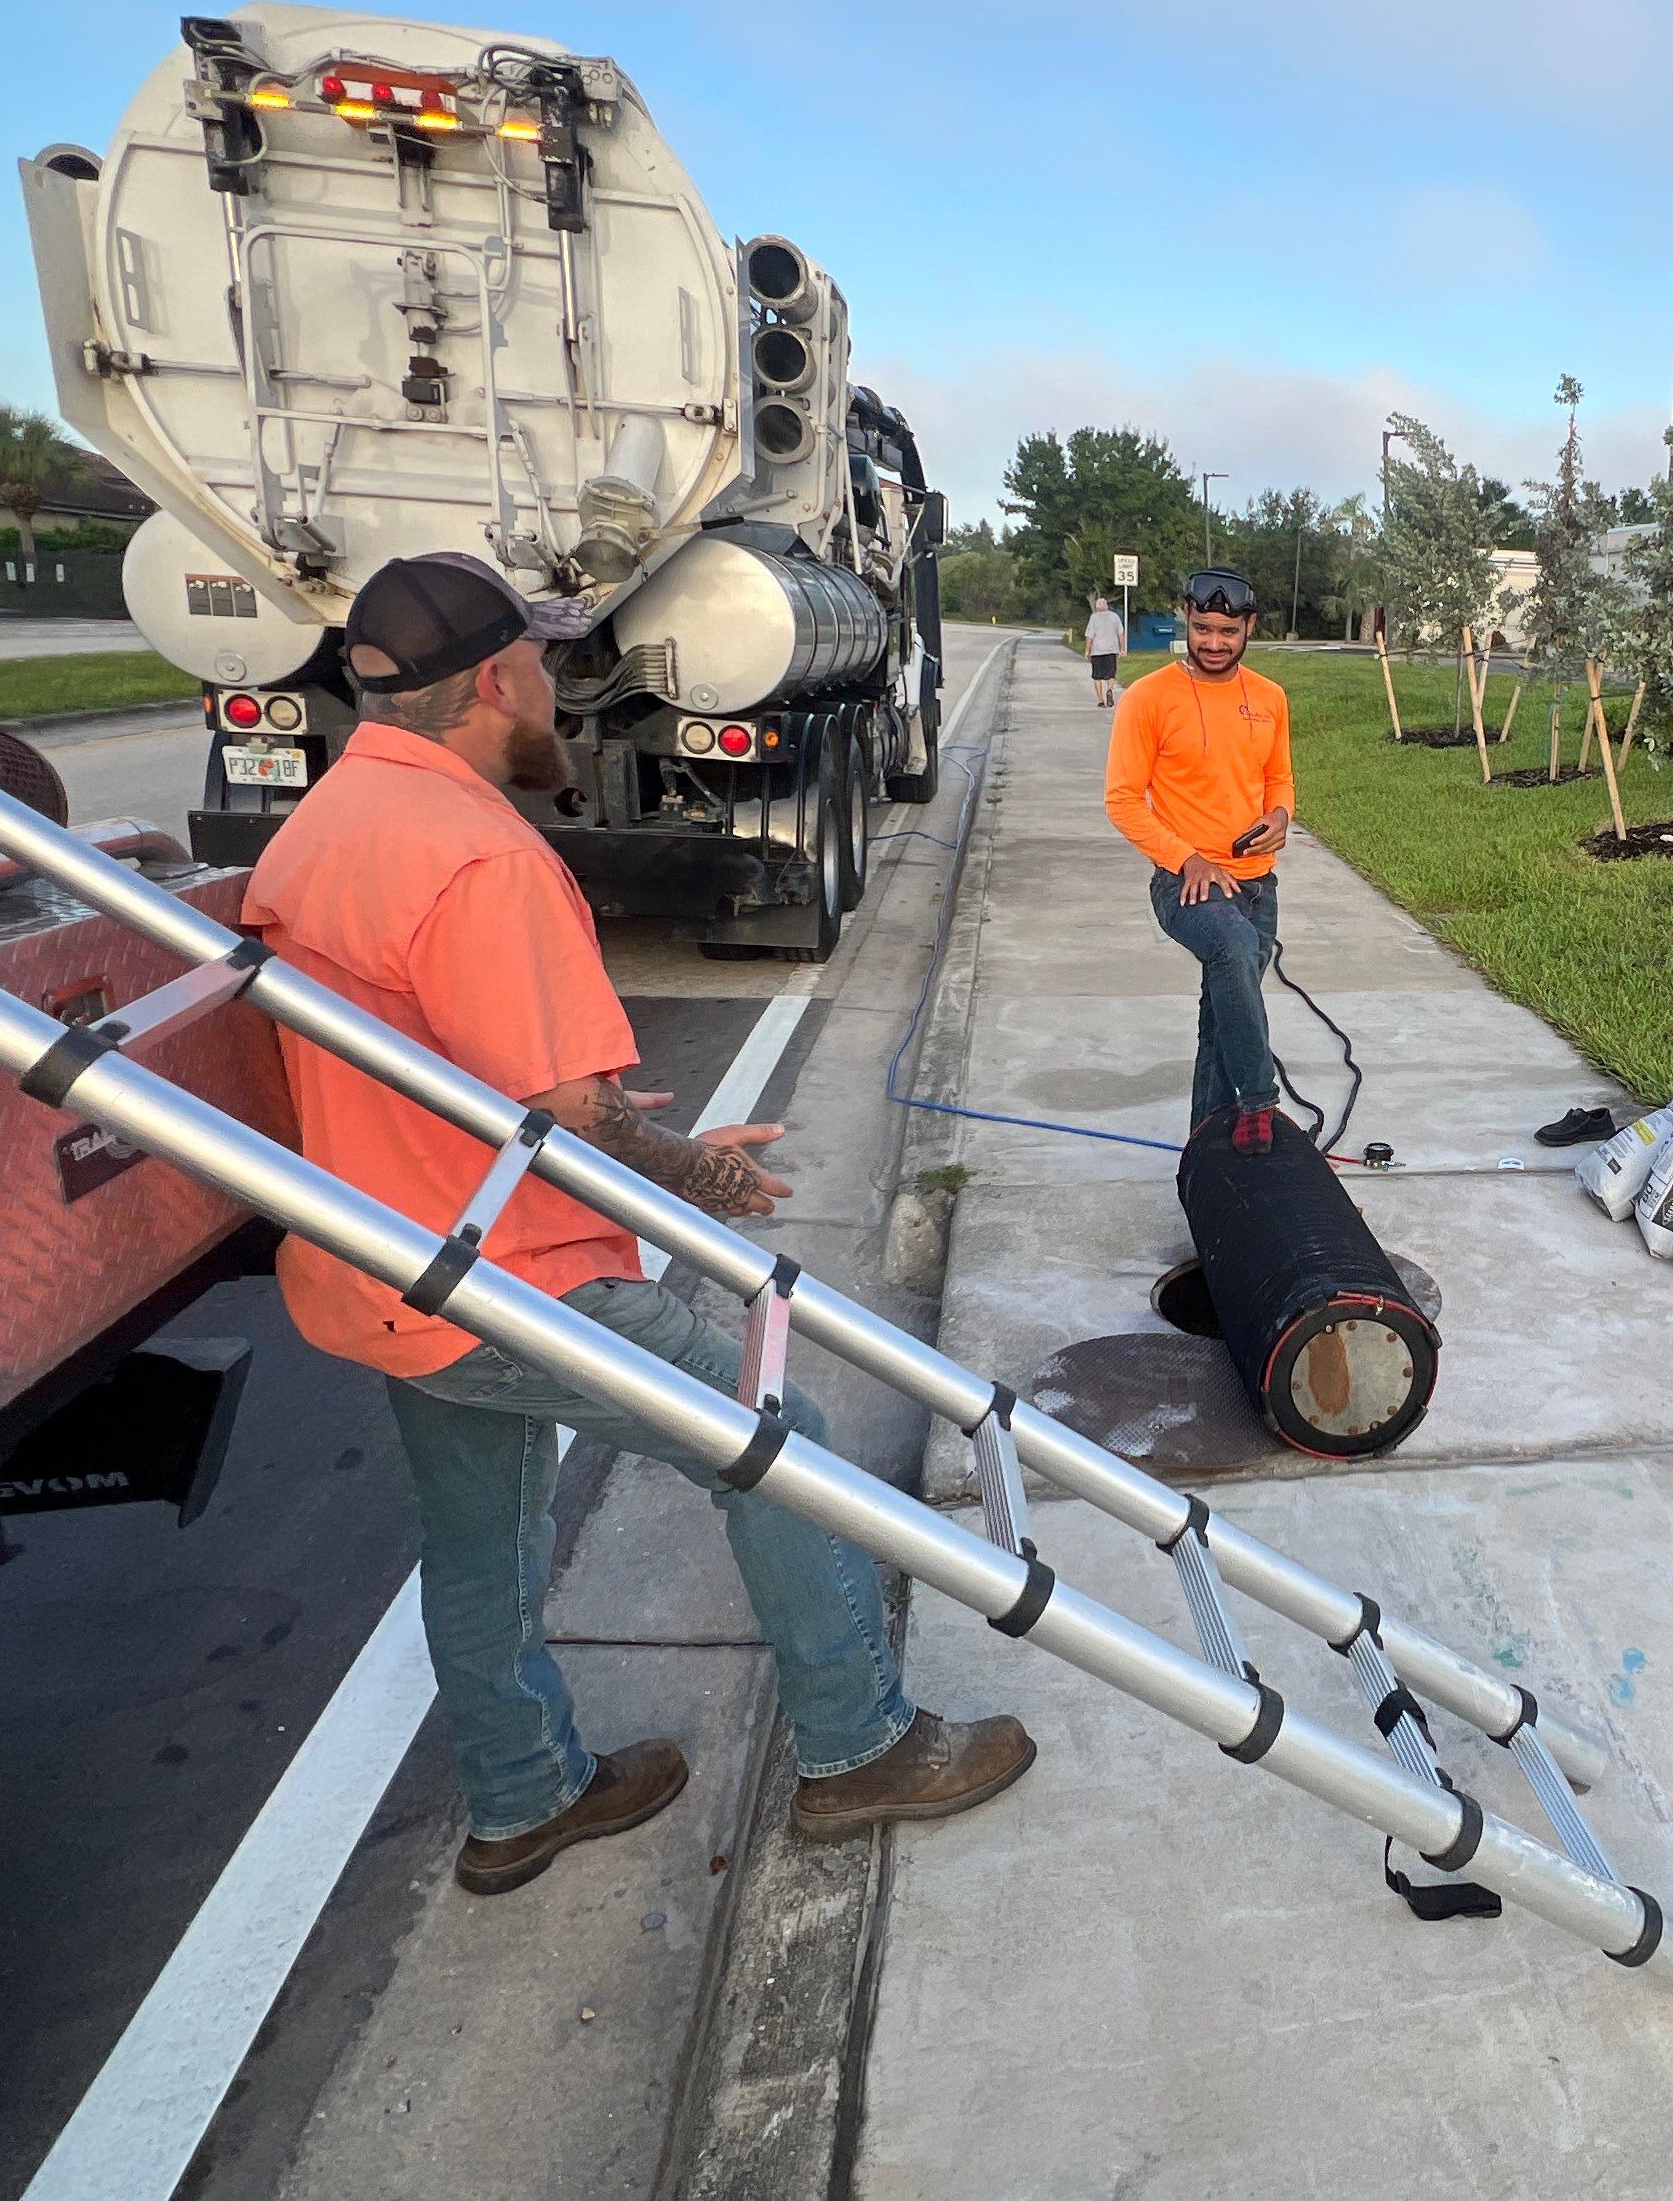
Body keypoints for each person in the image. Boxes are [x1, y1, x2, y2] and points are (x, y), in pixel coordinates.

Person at [242, 551, 1032, 1896]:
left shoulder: (319, 828)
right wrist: (701, 1173)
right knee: (780, 1442)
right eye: (542, 663)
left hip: (379, 1259)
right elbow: (583, 1123)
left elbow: (449, 1065)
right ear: (494, 681)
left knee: (482, 1542)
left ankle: (521, 1795)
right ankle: (859, 1748)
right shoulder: (482, 856)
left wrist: (603, 1117)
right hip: (504, 1273)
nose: (554, 682)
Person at [1102, 567, 1294, 1152]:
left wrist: (1281, 818)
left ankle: (1205, 1156)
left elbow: (1278, 779)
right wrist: (1187, 859)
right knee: (1232, 950)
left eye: (1227, 631)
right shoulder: (1149, 698)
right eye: (1202, 628)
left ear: (1249, 627)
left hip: (1257, 886)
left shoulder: (1269, 699)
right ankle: (1259, 1102)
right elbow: (1122, 800)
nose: (1213, 642)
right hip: (1184, 885)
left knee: (1221, 1021)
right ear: (1186, 618)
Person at [1085, 592, 1126, 707]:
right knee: (1111, 675)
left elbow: (1090, 636)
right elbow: (1121, 633)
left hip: (1097, 651)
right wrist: (1122, 648)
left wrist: (1087, 651)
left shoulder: (1094, 618)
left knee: (1097, 676)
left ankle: (1100, 700)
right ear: (1107, 606)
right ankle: (1110, 690)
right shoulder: (1115, 617)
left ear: (1097, 607)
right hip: (1111, 650)